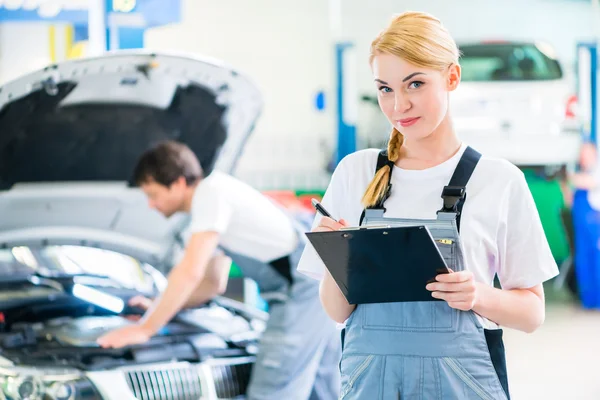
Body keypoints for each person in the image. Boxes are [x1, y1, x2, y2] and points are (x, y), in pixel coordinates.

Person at [297, 11, 558, 400]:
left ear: (452, 77)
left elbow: (532, 314)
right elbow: (338, 313)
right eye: (385, 88)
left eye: (414, 84)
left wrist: (478, 296)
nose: (399, 105)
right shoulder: (356, 173)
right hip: (370, 385)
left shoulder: (499, 180)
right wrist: (337, 258)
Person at [96, 140, 341, 400]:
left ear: (178, 183)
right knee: (322, 390)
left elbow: (190, 271)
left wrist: (145, 329)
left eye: (153, 195)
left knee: (272, 391)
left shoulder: (209, 194)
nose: (151, 205)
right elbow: (212, 283)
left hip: (302, 291)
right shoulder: (216, 196)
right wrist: (158, 305)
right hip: (315, 286)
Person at [569, 141, 600, 308]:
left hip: (596, 225)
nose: (583, 158)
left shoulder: (596, 172)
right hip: (583, 230)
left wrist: (570, 178)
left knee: (597, 263)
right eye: (582, 155)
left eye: (586, 154)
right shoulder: (581, 172)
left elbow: (589, 182)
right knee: (584, 262)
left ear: (594, 154)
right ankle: (588, 300)